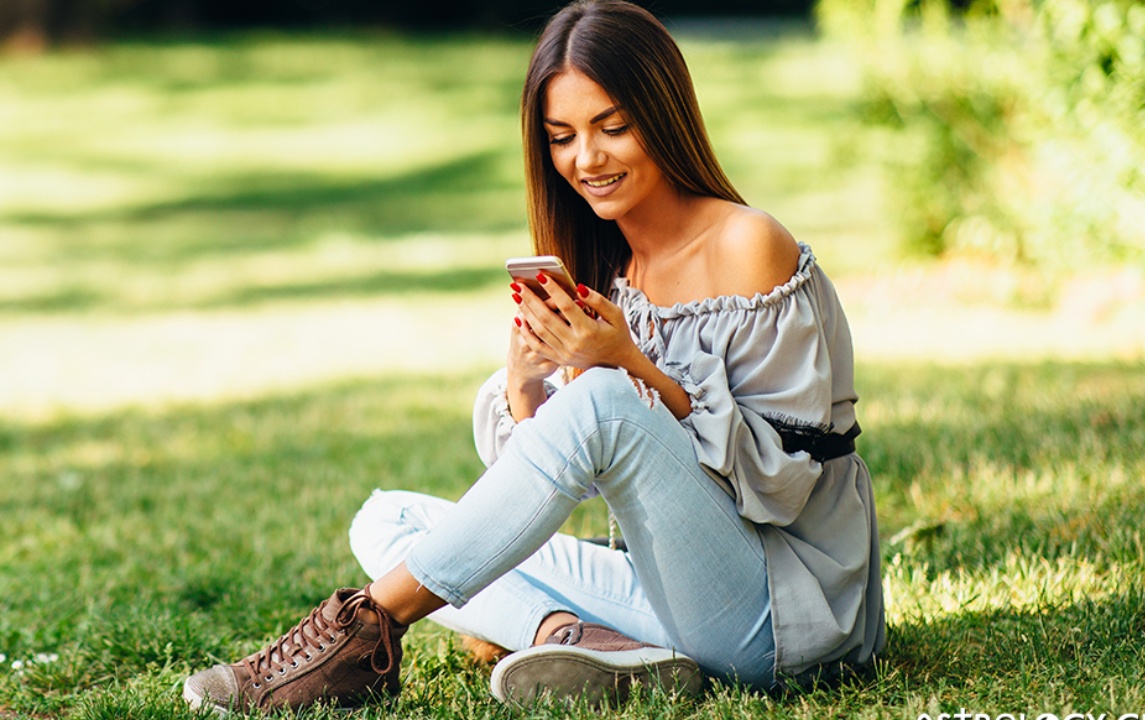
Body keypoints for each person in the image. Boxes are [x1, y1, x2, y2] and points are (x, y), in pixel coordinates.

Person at [182, 0, 886, 713]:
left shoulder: (750, 246)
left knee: (604, 402)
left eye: (613, 127)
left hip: (784, 618)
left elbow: (782, 481)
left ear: (665, 116)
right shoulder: (610, 271)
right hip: (674, 599)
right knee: (385, 520)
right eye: (562, 137)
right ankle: (580, 640)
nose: (587, 159)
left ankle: (363, 631)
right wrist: (525, 384)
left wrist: (627, 364)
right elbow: (575, 489)